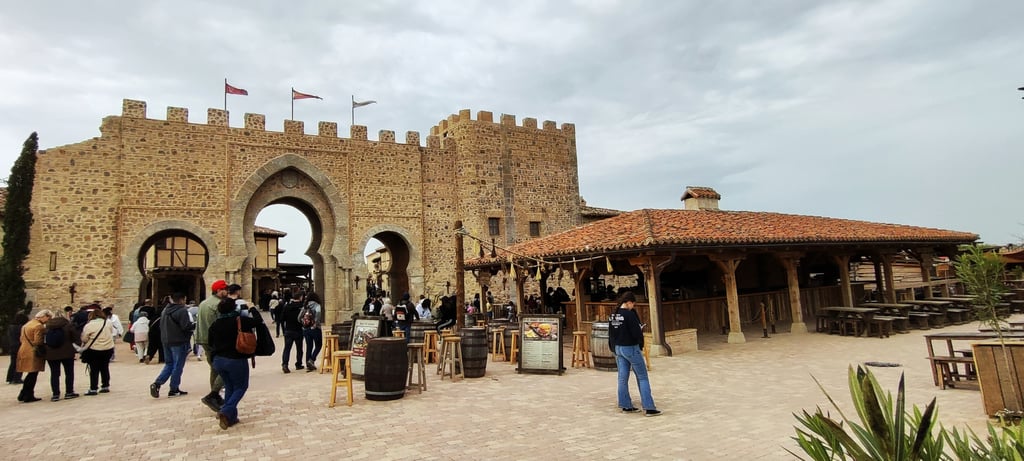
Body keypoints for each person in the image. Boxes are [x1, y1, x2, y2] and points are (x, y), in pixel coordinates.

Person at [209, 297, 259, 430]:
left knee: (230, 386)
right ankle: (226, 410)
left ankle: (231, 418)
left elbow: (210, 343)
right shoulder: (240, 320)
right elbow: (258, 322)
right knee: (241, 387)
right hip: (235, 359)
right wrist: (252, 308)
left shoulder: (215, 324)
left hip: (219, 360)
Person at [608, 292, 660, 417]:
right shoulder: (629, 315)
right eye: (633, 304)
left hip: (618, 348)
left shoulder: (613, 315)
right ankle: (649, 407)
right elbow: (637, 333)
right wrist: (640, 345)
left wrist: (613, 348)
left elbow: (611, 334)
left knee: (622, 377)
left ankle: (625, 404)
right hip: (630, 347)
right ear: (629, 302)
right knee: (642, 376)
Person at [149, 292, 195, 398]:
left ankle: (157, 383)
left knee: (169, 364)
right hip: (179, 341)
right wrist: (193, 326)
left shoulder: (165, 310)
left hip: (166, 340)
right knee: (177, 366)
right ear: (182, 299)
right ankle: (174, 389)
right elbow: (185, 326)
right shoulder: (182, 310)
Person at [195, 279, 228, 411]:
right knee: (224, 367)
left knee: (214, 368)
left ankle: (215, 396)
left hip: (203, 339)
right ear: (219, 290)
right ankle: (213, 394)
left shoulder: (204, 303)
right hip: (214, 341)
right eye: (225, 289)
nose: (226, 291)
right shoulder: (218, 304)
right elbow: (220, 325)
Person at [45, 309, 81, 401]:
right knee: (69, 373)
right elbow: (76, 338)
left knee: (54, 374)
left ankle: (55, 394)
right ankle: (69, 392)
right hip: (67, 353)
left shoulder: (48, 326)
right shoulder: (68, 325)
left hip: (51, 354)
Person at [16, 310, 52, 402]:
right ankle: (28, 394)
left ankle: (23, 393)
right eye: (49, 318)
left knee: (30, 373)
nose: (49, 320)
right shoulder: (38, 326)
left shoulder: (27, 324)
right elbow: (38, 341)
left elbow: (21, 338)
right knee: (33, 374)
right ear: (44, 316)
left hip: (23, 349)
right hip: (33, 352)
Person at [80, 307, 114, 396]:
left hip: (95, 349)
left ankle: (93, 388)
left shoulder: (89, 325)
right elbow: (111, 332)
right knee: (105, 367)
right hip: (108, 348)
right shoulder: (108, 323)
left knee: (94, 369)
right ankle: (105, 385)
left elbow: (84, 338)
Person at [280, 290, 305, 373]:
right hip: (298, 330)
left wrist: (284, 330)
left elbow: (282, 319)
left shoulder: (287, 306)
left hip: (289, 330)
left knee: (287, 348)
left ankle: (285, 364)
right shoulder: (301, 306)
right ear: (300, 297)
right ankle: (298, 364)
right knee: (299, 348)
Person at [302, 292, 323, 372]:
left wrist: (304, 324)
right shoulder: (317, 306)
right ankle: (312, 359)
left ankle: (308, 364)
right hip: (315, 329)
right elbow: (318, 313)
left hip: (306, 329)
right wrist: (315, 323)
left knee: (309, 346)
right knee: (318, 345)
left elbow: (299, 317)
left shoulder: (305, 306)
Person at [6, 312, 28, 385]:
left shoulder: (11, 327)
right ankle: (17, 378)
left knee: (13, 363)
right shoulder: (21, 327)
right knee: (20, 363)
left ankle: (10, 378)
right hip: (20, 346)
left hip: (12, 346)